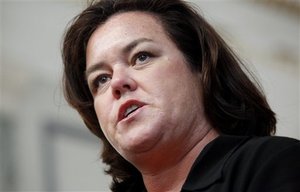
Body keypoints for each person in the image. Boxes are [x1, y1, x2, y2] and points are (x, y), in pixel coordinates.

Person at [61, 0, 300, 191]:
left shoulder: (273, 164)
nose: (117, 83)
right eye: (101, 79)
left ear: (200, 67)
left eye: (141, 56)